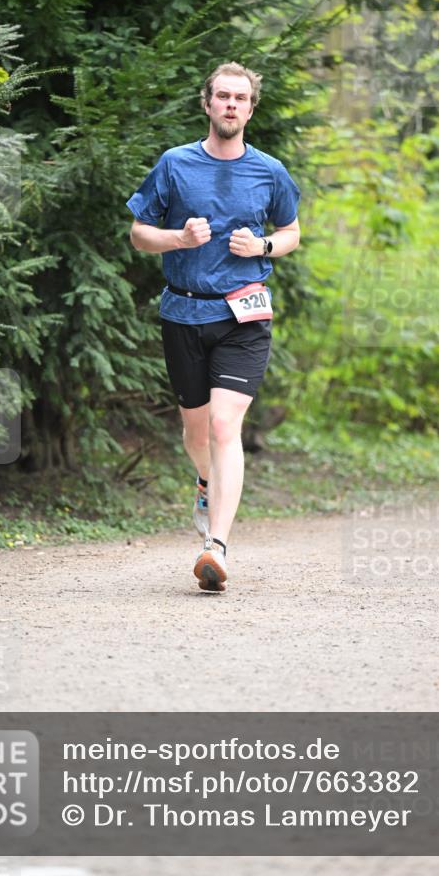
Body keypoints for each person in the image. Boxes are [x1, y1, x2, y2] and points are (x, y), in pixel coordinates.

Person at [127, 62, 300, 591]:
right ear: (207, 104)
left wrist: (264, 246)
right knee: (195, 432)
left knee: (227, 426)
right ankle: (205, 481)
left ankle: (216, 548)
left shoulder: (270, 171)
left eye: (239, 98)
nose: (230, 104)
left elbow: (291, 230)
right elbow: (138, 232)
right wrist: (177, 239)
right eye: (221, 96)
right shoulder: (175, 165)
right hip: (183, 311)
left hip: (244, 313)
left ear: (251, 108)